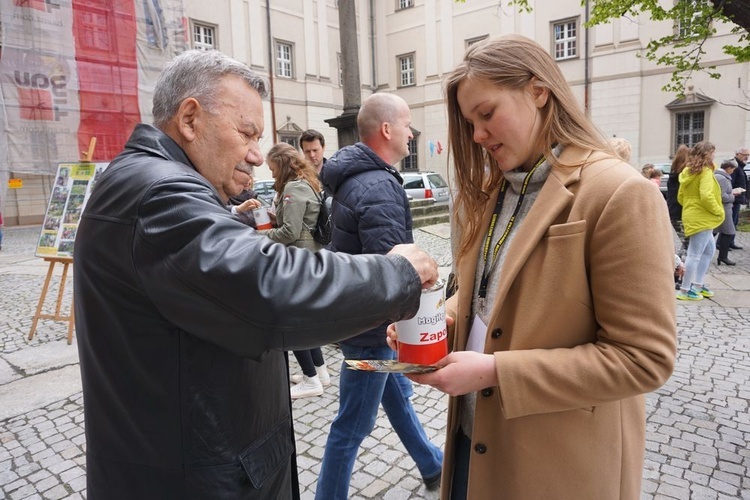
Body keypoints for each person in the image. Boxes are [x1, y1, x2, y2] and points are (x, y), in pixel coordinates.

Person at [73, 49, 439, 499]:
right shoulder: (158, 193)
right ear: (190, 119)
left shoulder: (147, 182)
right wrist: (398, 274)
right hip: (196, 476)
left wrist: (236, 223)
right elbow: (270, 288)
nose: (255, 155)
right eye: (247, 133)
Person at [388, 34, 677, 499]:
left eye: (487, 114)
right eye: (470, 121)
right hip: (472, 445)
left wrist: (494, 372)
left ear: (539, 91)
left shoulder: (619, 192)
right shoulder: (498, 189)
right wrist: (441, 320)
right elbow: (487, 292)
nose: (478, 135)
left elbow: (644, 359)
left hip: (555, 467)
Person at [315, 92, 444, 499]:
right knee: (351, 425)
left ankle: (432, 464)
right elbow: (395, 272)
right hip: (371, 331)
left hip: (362, 322)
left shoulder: (354, 179)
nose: (411, 131)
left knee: (398, 395)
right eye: (406, 124)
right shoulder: (378, 186)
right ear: (387, 129)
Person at [262, 142, 331, 399]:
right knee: (306, 321)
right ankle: (319, 372)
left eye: (272, 168)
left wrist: (258, 235)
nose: (271, 174)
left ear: (282, 165)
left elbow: (289, 232)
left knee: (292, 323)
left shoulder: (293, 187)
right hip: (309, 258)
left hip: (296, 260)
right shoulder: (308, 183)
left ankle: (311, 380)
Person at [677, 141, 724, 300]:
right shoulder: (704, 172)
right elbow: (706, 195)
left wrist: (691, 207)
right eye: (713, 152)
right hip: (703, 216)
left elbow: (680, 196)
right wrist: (719, 211)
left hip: (693, 214)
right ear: (707, 154)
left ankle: (697, 284)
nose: (714, 155)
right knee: (694, 254)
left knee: (708, 250)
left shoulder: (687, 172)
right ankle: (685, 289)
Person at [715, 158, 742, 266]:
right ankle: (722, 256)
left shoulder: (721, 177)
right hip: (724, 208)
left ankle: (722, 256)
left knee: (716, 232)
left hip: (724, 208)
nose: (733, 171)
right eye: (733, 169)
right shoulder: (722, 178)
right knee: (729, 232)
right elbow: (723, 196)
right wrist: (733, 196)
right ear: (729, 168)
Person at [666, 144, 690, 258]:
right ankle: (680, 262)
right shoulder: (684, 174)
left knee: (686, 240)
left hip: (673, 210)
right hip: (681, 210)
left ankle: (680, 260)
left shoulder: (673, 171)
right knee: (688, 241)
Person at [730, 146, 748, 249]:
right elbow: (731, 182)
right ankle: (723, 243)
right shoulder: (735, 166)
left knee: (734, 221)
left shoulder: (740, 166)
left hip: (737, 198)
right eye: (745, 155)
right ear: (738, 155)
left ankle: (730, 241)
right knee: (730, 222)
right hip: (734, 198)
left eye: (748, 155)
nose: (747, 157)